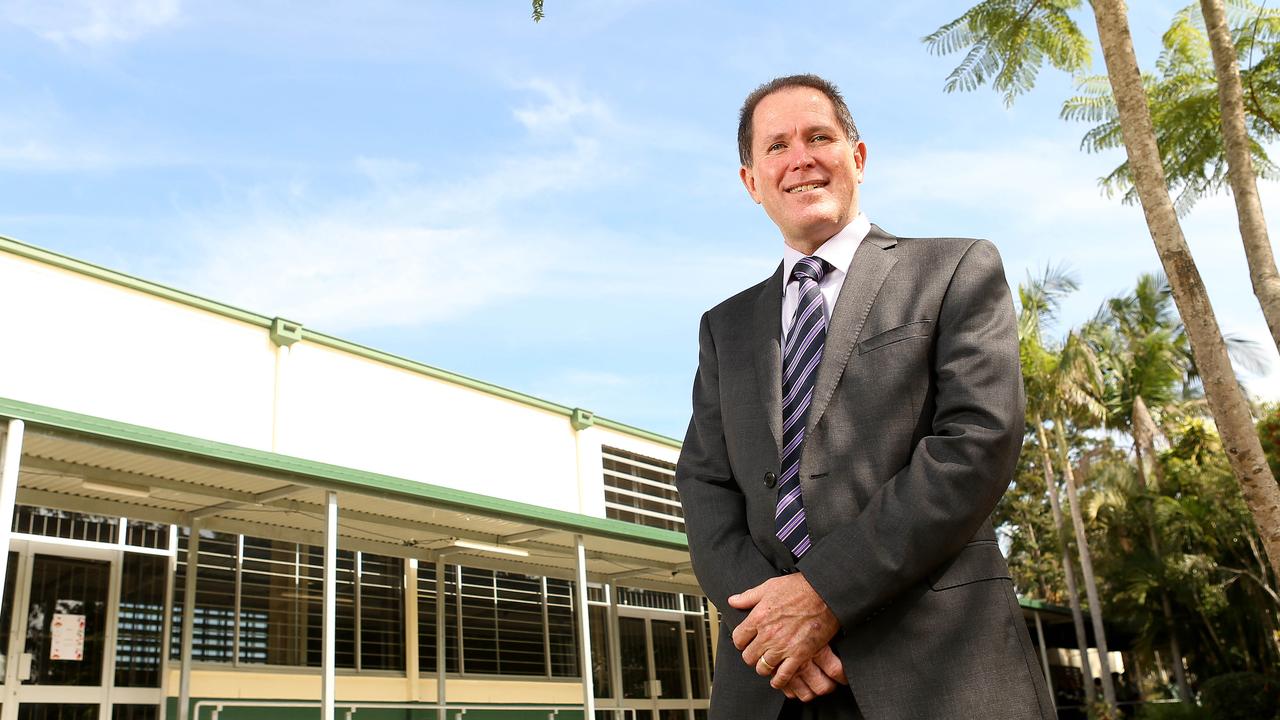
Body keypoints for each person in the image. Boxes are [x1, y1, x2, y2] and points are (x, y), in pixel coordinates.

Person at [674, 73, 1055, 719]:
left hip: (935, 669)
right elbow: (705, 485)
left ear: (858, 156)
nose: (801, 158)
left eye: (819, 136)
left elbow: (976, 441)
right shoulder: (725, 326)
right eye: (777, 146)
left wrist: (823, 593)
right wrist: (774, 625)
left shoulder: (954, 269)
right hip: (775, 682)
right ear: (751, 181)